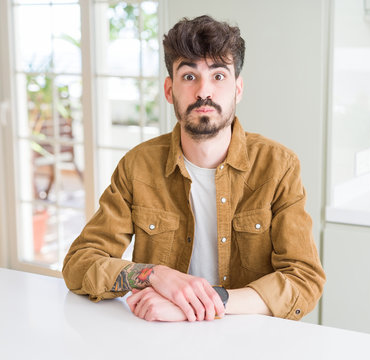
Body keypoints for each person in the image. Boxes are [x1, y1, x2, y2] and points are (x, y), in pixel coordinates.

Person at [62, 15, 325, 322]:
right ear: (169, 89)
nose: (204, 91)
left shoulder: (279, 167)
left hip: (250, 340)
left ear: (238, 89)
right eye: (189, 76)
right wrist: (153, 275)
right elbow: (79, 264)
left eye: (218, 76)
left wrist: (201, 303)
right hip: (160, 335)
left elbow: (304, 280)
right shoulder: (138, 167)